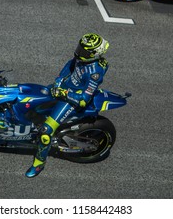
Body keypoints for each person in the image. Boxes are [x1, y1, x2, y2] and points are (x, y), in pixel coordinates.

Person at [25, 33, 110, 178]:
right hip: (61, 89)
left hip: (71, 100)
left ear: (95, 54)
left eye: (84, 51)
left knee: (46, 132)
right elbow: (69, 65)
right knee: (31, 103)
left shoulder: (95, 73)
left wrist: (64, 93)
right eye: (80, 48)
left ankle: (39, 164)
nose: (79, 52)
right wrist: (59, 80)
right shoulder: (82, 58)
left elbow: (84, 99)